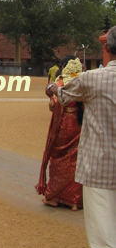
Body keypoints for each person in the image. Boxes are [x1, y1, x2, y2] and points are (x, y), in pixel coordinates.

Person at [46, 26, 116, 248]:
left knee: (103, 236)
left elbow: (61, 94)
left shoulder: (93, 79)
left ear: (107, 49)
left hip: (100, 166)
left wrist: (52, 86)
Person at [36, 55, 83, 211]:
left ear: (63, 67)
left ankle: (54, 197)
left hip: (64, 124)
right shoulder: (83, 84)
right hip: (79, 124)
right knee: (75, 160)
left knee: (58, 159)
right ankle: (75, 200)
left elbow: (52, 104)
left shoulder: (61, 84)